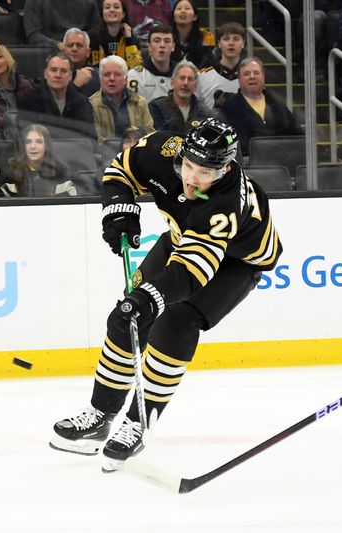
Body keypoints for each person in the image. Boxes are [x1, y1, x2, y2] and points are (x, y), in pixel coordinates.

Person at [49, 118, 282, 467]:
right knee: (124, 317)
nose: (191, 178)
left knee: (176, 321)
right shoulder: (162, 149)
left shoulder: (225, 203)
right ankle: (101, 414)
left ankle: (139, 423)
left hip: (237, 260)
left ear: (226, 167)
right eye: (188, 166)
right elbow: (120, 172)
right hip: (181, 239)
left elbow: (191, 271)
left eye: (205, 172)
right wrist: (118, 211)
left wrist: (150, 297)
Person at [219, 57, 301, 156]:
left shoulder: (278, 105)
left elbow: (296, 134)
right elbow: (231, 140)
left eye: (256, 73)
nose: (252, 77)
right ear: (239, 80)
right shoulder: (229, 107)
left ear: (263, 77)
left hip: (281, 160)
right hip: (248, 163)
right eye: (246, 74)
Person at [18, 53, 97, 141]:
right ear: (45, 74)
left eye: (63, 71)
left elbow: (90, 136)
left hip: (75, 151)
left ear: (70, 76)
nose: (58, 75)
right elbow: (25, 136)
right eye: (53, 70)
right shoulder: (30, 100)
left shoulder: (81, 101)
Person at [89, 54, 154, 143]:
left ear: (126, 79)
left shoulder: (140, 103)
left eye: (117, 74)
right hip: (106, 154)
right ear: (100, 79)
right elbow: (95, 140)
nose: (111, 79)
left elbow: (150, 134)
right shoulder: (91, 105)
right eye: (107, 74)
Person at [0, 124, 75, 197]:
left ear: (46, 145)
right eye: (28, 142)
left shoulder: (60, 171)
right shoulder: (10, 170)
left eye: (39, 142)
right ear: (23, 146)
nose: (33, 146)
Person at [148, 60, 213, 134]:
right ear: (172, 83)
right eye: (182, 78)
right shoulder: (156, 107)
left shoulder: (205, 112)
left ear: (196, 86)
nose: (186, 83)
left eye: (190, 79)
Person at [196, 22, 244, 111]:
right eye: (226, 39)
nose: (231, 43)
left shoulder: (251, 77)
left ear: (243, 44)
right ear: (219, 44)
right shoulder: (202, 76)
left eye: (236, 39)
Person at [88, 0, 142, 70]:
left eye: (116, 7)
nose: (112, 10)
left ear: (123, 14)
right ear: (102, 13)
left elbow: (136, 68)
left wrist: (129, 39)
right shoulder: (92, 37)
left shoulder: (132, 39)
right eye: (107, 7)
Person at [127, 25, 175, 103]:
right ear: (149, 46)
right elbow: (134, 110)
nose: (162, 45)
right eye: (157, 41)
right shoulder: (135, 75)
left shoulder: (181, 74)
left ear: (173, 47)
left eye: (167, 41)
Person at [22, 0, 99, 48]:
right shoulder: (35, 1)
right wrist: (57, 45)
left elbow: (95, 31)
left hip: (82, 49)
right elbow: (33, 35)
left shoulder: (89, 2)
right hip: (50, 51)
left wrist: (78, 44)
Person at [169, 0, 216, 69]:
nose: (183, 11)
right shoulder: (166, 37)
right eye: (179, 9)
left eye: (187, 8)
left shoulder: (206, 36)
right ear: (173, 17)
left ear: (195, 17)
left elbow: (209, 63)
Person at [61, 27, 100, 97]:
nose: (74, 49)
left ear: (88, 52)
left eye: (79, 45)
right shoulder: (56, 74)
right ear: (63, 51)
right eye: (70, 45)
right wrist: (76, 85)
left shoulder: (98, 76)